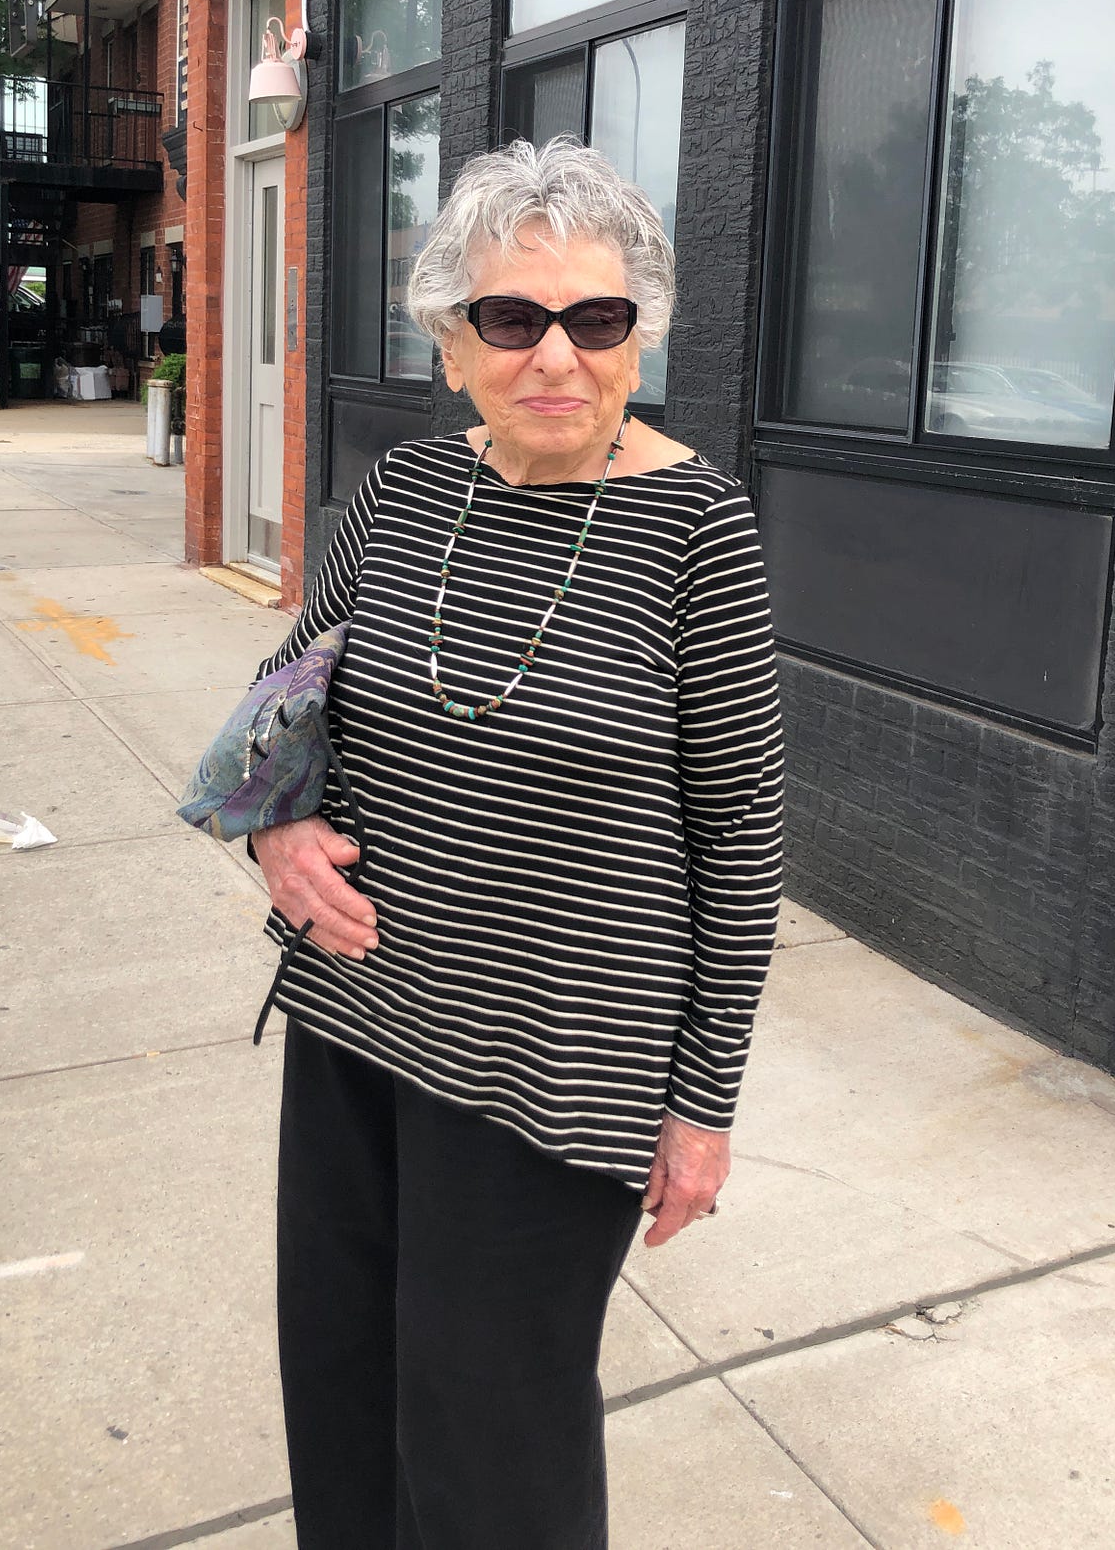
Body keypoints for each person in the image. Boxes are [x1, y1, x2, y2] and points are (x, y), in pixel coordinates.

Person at [251, 136, 783, 1550]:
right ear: (450, 342)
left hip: (559, 1066)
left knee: (491, 1428)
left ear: (637, 338)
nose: (557, 354)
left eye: (596, 318)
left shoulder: (697, 530)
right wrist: (279, 831)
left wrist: (702, 1106)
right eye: (511, 317)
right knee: (343, 1377)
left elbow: (742, 840)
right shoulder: (402, 493)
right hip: (359, 1019)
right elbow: (284, 698)